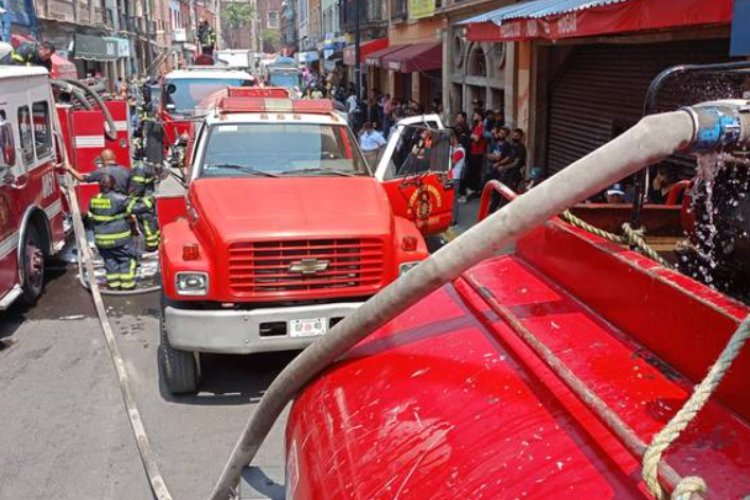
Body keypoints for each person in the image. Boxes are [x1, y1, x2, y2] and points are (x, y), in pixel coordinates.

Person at [87, 175, 137, 291]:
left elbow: (90, 219)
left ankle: (114, 286)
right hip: (120, 240)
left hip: (101, 241)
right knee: (127, 260)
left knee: (110, 262)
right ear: (114, 185)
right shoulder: (121, 199)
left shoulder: (93, 199)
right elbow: (137, 209)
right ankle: (127, 286)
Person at [127, 152, 160, 253]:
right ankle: (156, 243)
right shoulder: (147, 166)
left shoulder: (139, 168)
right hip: (149, 200)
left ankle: (152, 246)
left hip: (144, 203)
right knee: (152, 224)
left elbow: (137, 187)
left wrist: (132, 200)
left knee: (147, 225)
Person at [466, 110, 487, 196]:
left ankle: (475, 189)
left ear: (480, 117)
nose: (473, 116)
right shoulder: (476, 126)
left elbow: (477, 138)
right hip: (473, 151)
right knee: (472, 171)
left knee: (475, 171)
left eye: (475, 115)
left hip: (478, 152)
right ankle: (472, 188)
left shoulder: (481, 126)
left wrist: (472, 136)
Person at [450, 131, 467, 224]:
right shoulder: (453, 148)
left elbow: (452, 163)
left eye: (451, 139)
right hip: (450, 176)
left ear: (454, 139)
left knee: (454, 200)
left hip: (455, 177)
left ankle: (454, 220)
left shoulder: (460, 150)